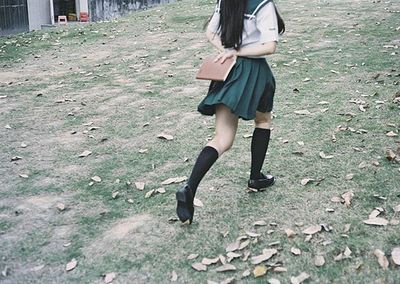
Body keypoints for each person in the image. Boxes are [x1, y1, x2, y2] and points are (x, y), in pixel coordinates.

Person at [176, 0, 285, 224]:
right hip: (255, 72)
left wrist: (226, 52)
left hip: (230, 71)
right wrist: (236, 51)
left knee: (222, 138)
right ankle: (256, 177)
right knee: (263, 120)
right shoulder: (262, 4)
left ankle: (190, 187)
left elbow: (210, 32)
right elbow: (269, 46)